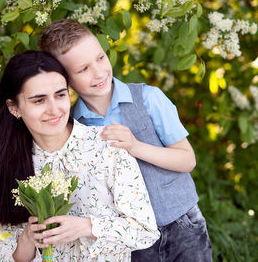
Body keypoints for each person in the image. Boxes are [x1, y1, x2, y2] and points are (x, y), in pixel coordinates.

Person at [38, 19, 212, 261]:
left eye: (100, 58)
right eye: (83, 69)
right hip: (130, 238)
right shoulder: (75, 126)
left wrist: (136, 147)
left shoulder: (149, 98)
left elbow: (187, 160)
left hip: (182, 224)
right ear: (64, 80)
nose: (99, 72)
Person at [0, 51, 160, 261]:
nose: (54, 110)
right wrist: (27, 239)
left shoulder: (108, 146)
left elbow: (145, 231)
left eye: (60, 95)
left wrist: (86, 226)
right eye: (39, 100)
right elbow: (7, 255)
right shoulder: (8, 164)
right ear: (14, 108)